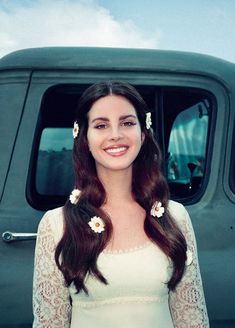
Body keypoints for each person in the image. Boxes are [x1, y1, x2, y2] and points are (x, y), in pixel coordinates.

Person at [33, 81, 209, 327]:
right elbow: (49, 323)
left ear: (143, 133)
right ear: (84, 138)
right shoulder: (56, 225)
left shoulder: (175, 217)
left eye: (127, 123)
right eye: (101, 125)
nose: (115, 134)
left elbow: (192, 318)